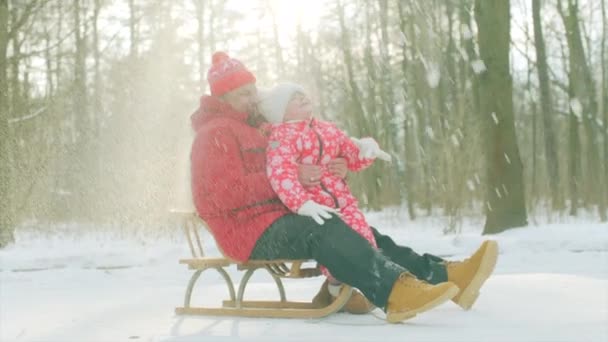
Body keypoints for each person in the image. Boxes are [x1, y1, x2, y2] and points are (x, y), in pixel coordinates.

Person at [190, 51, 499, 323]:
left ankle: (445, 276)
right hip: (247, 232)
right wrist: (290, 177)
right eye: (244, 94)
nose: (253, 98)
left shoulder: (260, 128)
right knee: (322, 228)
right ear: (222, 98)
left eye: (253, 91)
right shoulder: (214, 134)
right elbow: (219, 194)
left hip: (280, 216)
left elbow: (299, 165)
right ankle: (394, 291)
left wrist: (331, 170)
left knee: (357, 230)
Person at [257, 82, 394, 312]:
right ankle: (338, 288)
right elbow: (280, 173)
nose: (302, 98)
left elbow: (350, 154)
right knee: (336, 250)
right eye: (294, 98)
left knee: (364, 241)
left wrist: (365, 150)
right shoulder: (282, 136)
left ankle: (352, 290)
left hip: (345, 201)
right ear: (282, 111)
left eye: (302, 94)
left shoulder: (327, 129)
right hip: (317, 206)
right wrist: (302, 204)